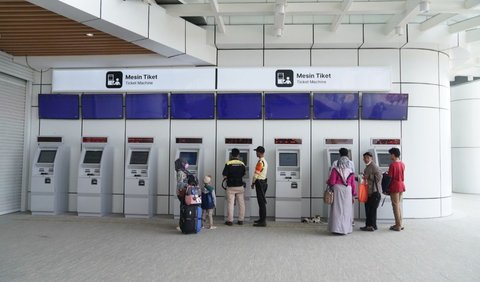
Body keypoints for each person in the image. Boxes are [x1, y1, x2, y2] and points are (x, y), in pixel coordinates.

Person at [327, 156, 356, 235]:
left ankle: (336, 229)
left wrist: (328, 182)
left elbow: (332, 182)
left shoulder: (335, 170)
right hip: (348, 190)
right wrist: (354, 194)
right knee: (347, 210)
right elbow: (353, 184)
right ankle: (346, 229)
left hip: (338, 190)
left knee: (337, 209)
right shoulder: (351, 171)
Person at [222, 148, 246, 226]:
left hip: (231, 186)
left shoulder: (228, 163)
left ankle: (230, 221)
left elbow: (224, 174)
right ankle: (241, 220)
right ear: (238, 155)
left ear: (231, 154)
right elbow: (244, 174)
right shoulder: (242, 163)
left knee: (230, 203)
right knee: (241, 203)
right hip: (240, 186)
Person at [360, 152, 382, 232]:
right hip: (368, 192)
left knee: (372, 210)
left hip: (374, 192)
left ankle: (372, 226)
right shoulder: (368, 166)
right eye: (364, 158)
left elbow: (379, 176)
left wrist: (368, 176)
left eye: (367, 158)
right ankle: (369, 225)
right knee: (368, 209)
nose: (365, 159)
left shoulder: (374, 166)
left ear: (371, 158)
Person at [387, 147, 405, 231]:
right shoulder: (402, 164)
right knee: (398, 205)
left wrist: (386, 187)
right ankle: (400, 223)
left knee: (395, 206)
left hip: (394, 186)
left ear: (393, 155)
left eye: (390, 154)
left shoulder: (392, 165)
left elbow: (389, 178)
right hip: (401, 185)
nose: (390, 156)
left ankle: (397, 225)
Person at [251, 146, 268, 227]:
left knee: (261, 203)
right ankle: (261, 219)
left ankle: (263, 221)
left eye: (257, 152)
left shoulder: (260, 162)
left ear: (260, 152)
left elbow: (256, 174)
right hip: (263, 182)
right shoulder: (264, 161)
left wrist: (253, 182)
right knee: (261, 202)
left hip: (260, 183)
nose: (256, 153)